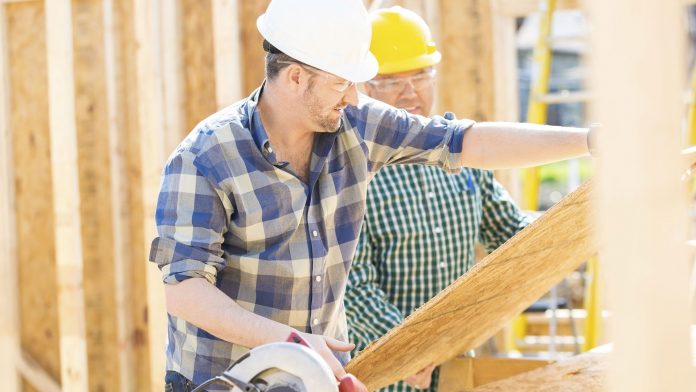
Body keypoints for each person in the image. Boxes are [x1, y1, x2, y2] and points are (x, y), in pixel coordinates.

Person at [148, 0, 592, 390]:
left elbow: (463, 141)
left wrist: (589, 140)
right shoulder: (205, 159)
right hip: (227, 381)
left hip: (314, 380)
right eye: (343, 83)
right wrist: (293, 344)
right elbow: (185, 291)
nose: (355, 98)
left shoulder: (355, 126)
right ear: (297, 77)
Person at [344, 7, 532, 391]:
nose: (410, 91)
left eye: (420, 75)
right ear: (364, 87)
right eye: (392, 80)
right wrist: (412, 351)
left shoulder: (466, 156)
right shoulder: (353, 172)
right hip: (385, 375)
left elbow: (512, 236)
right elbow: (354, 287)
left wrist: (574, 227)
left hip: (455, 370)